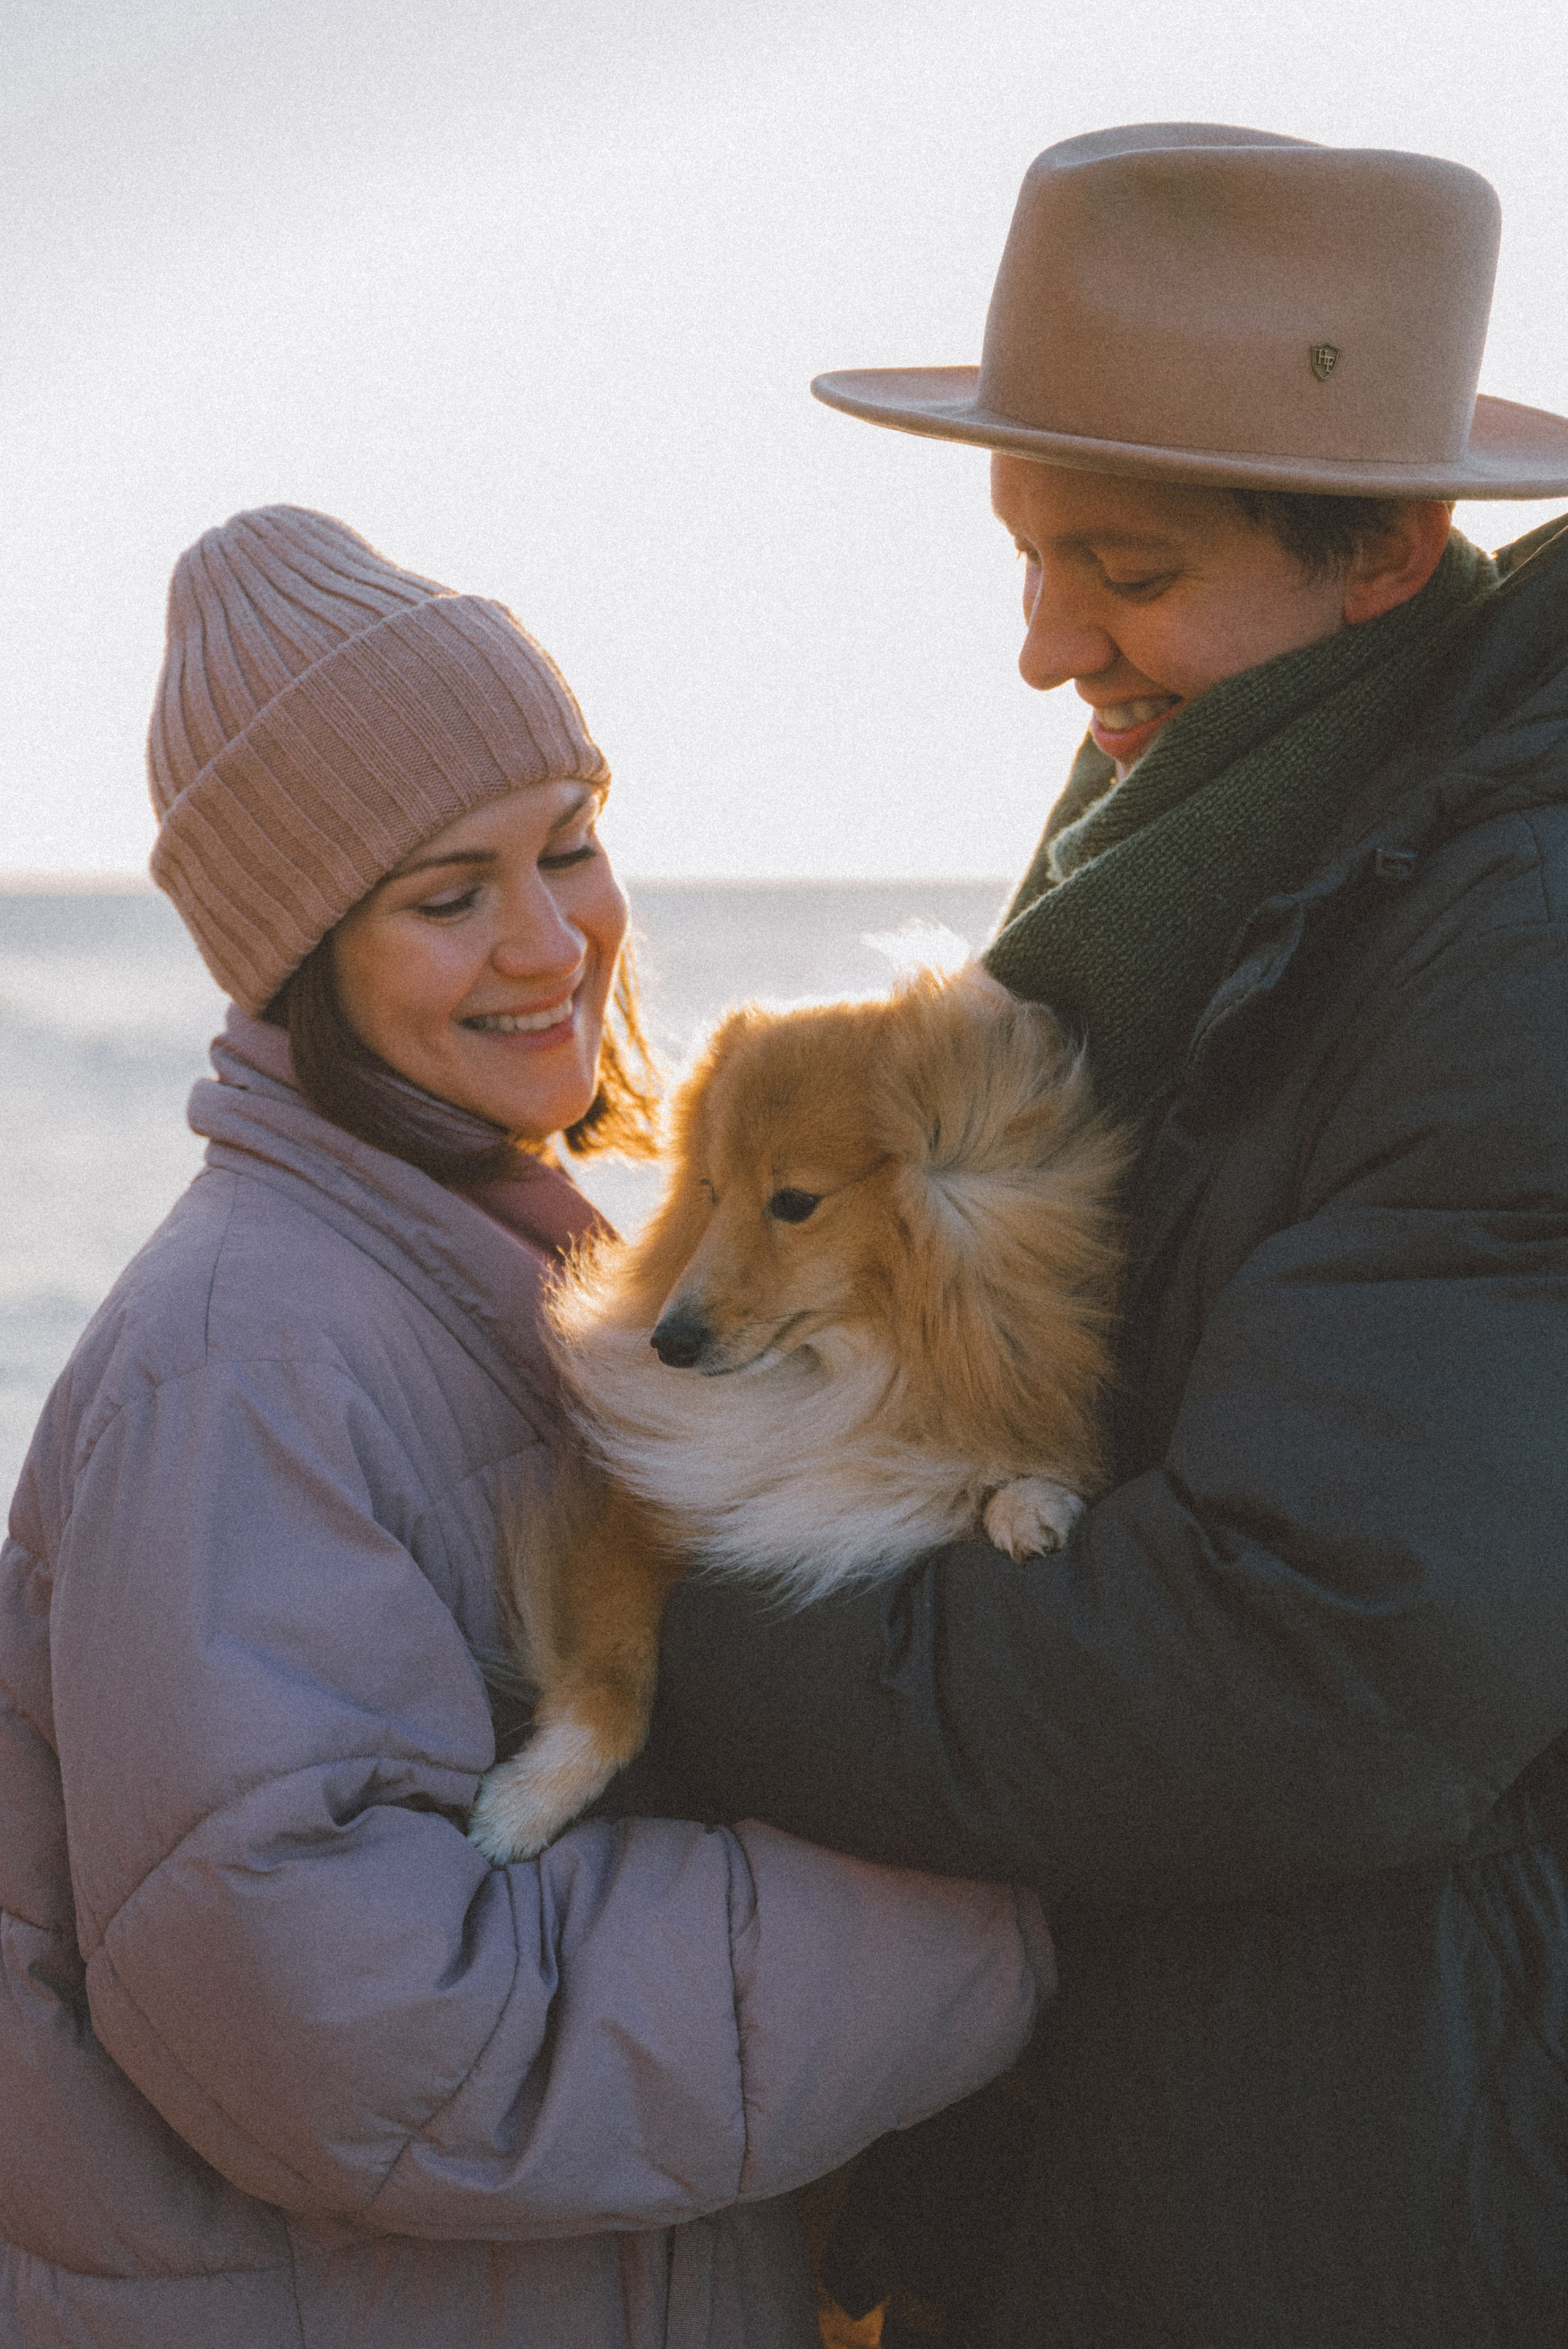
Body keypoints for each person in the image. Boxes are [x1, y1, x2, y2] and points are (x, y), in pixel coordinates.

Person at [615, 126, 1568, 2345]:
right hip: (1163, 2151)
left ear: (1392, 548)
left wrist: (684, 1629)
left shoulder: (1508, 945)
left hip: (1356, 2210)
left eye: (1118, 568)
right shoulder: (1228, 853)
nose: (1046, 647)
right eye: (1028, 556)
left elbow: (1312, 1654)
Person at [0, 505, 1053, 2349]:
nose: (550, 939)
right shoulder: (250, 1359)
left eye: (568, 845)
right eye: (444, 894)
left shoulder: (522, 1269)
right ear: (301, 952)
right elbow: (341, 2028)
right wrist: (983, 1916)